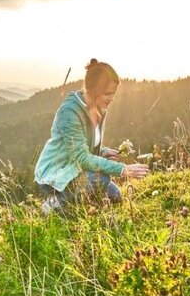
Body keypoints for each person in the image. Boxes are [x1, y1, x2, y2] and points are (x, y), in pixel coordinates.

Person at [34, 59, 149, 212]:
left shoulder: (99, 109)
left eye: (114, 93)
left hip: (76, 169)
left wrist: (103, 151)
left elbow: (84, 145)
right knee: (101, 179)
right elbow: (82, 158)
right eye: (108, 93)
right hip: (56, 175)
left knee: (114, 196)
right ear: (93, 90)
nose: (112, 98)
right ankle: (54, 206)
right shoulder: (69, 112)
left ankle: (79, 202)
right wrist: (123, 169)